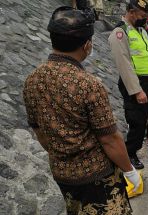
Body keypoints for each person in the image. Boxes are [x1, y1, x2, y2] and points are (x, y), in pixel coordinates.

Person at [23, 7, 140, 214]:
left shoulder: (32, 80)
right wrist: (129, 170)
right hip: (96, 178)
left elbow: (39, 131)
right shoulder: (87, 84)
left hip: (62, 174)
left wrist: (62, 155)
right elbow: (109, 139)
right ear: (87, 45)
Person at [108, 0, 148, 170]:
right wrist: (136, 91)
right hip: (134, 83)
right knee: (138, 122)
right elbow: (124, 65)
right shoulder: (120, 33)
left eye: (146, 17)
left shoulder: (141, 31)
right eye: (142, 16)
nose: (145, 19)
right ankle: (131, 153)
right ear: (131, 12)